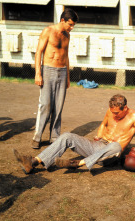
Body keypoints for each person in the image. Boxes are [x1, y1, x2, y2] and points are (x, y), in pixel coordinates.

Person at [14, 94, 135, 174]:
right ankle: (33, 162)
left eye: (117, 113)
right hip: (97, 146)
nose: (113, 115)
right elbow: (103, 124)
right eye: (112, 112)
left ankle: (77, 163)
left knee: (116, 146)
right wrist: (98, 136)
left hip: (110, 156)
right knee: (67, 136)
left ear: (125, 108)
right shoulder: (111, 110)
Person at [32, 8, 79, 149]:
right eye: (70, 24)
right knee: (45, 105)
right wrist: (38, 73)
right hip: (48, 70)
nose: (71, 28)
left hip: (62, 72)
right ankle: (37, 136)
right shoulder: (48, 31)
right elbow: (38, 52)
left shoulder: (67, 35)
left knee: (58, 107)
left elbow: (66, 56)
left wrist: (68, 77)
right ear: (62, 20)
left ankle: (54, 136)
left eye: (73, 26)